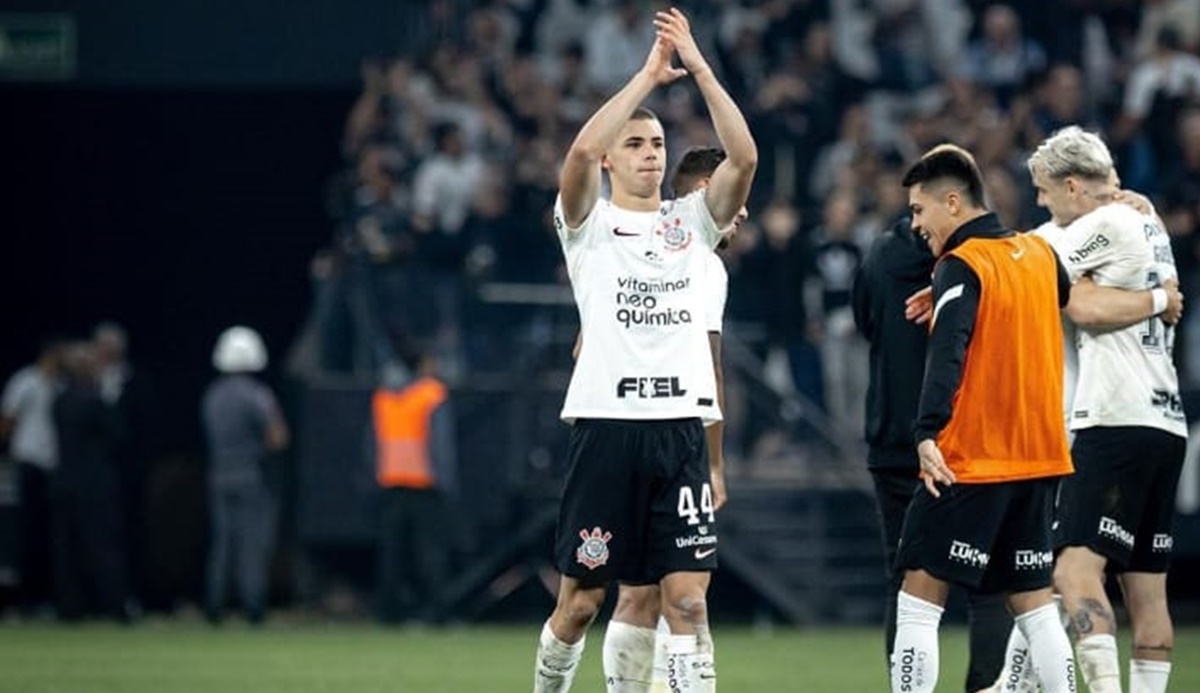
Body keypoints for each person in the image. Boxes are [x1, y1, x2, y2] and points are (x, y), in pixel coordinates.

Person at [531, 8, 756, 693]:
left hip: (679, 433)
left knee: (686, 600)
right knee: (581, 602)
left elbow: (743, 157)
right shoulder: (588, 226)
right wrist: (646, 77)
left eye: (657, 141)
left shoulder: (692, 224)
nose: (651, 152)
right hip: (606, 431)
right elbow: (575, 156)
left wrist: (700, 66)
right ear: (611, 158)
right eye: (634, 143)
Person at [996, 126, 1188, 693]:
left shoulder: (1105, 223)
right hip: (1165, 422)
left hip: (1114, 418)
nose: (1041, 200)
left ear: (1073, 185)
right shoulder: (1146, 223)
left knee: (1074, 571)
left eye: (1044, 190)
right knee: (1147, 589)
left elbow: (1062, 290)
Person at [891, 144, 1076, 693]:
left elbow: (948, 351)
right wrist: (952, 290)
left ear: (953, 203)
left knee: (918, 602)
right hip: (1039, 461)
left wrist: (927, 433)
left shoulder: (961, 265)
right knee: (1036, 608)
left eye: (920, 210)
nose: (916, 223)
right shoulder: (1039, 254)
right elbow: (1059, 293)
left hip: (972, 460)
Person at [592, 146, 745, 693]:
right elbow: (710, 367)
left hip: (623, 434)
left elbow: (584, 342)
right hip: (665, 439)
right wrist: (716, 463)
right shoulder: (698, 258)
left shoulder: (637, 241)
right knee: (663, 596)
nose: (744, 211)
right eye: (737, 197)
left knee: (657, 595)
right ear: (705, 192)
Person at [852, 205, 1013, 693]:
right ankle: (986, 686)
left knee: (905, 585)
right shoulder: (987, 258)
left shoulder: (880, 254)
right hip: (971, 444)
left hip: (896, 441)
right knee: (990, 587)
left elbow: (866, 324)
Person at [201, 326, 290, 625]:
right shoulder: (256, 395)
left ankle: (214, 607)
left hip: (218, 475)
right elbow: (278, 437)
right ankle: (253, 607)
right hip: (251, 475)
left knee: (222, 543)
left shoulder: (212, 396)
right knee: (252, 543)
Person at [372, 347, 456, 625]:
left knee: (392, 556)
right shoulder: (431, 395)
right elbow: (441, 444)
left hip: (390, 484)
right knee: (430, 555)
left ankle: (389, 614)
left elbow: (370, 445)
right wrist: (446, 484)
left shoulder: (383, 398)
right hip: (425, 486)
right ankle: (436, 614)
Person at [0, 340, 63, 618]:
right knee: (21, 535)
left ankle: (41, 598)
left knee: (46, 536)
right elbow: (8, 419)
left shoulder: (59, 386)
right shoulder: (25, 381)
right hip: (26, 461)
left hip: (51, 466)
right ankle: (18, 600)